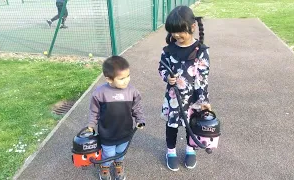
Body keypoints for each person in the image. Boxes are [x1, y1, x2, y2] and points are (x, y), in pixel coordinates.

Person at [158, 5, 212, 171]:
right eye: (173, 31)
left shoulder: (200, 51)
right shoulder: (168, 50)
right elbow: (161, 68)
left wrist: (203, 100)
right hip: (174, 97)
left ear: (193, 27)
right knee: (172, 126)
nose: (176, 35)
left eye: (180, 31)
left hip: (194, 98)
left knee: (192, 125)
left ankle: (190, 149)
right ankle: (171, 152)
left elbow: (203, 77)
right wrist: (167, 77)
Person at [87, 56, 145, 180]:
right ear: (109, 79)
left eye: (128, 76)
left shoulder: (132, 92)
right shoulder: (100, 93)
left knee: (121, 152)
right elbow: (94, 111)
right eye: (121, 78)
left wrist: (140, 120)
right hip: (107, 133)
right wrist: (91, 125)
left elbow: (137, 107)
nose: (126, 80)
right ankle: (105, 166)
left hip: (125, 131)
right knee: (109, 153)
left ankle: (118, 164)